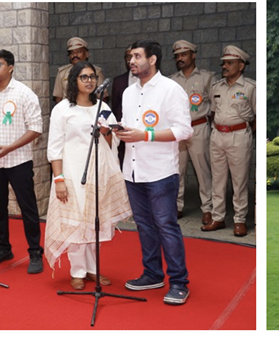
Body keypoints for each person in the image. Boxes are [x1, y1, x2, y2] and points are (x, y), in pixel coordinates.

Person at [116, 40, 192, 304]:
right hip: (133, 170)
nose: (132, 61)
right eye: (130, 57)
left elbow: (184, 130)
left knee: (166, 226)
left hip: (160, 171)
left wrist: (145, 135)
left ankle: (179, 282)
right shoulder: (128, 92)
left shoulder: (171, 90)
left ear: (153, 59)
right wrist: (117, 130)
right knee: (145, 226)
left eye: (137, 56)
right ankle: (152, 274)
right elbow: (130, 127)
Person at [45, 62, 130, 289]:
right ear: (74, 81)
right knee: (75, 223)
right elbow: (54, 148)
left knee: (95, 223)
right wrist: (59, 179)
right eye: (84, 77)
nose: (90, 81)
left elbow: (114, 142)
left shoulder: (102, 107)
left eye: (92, 77)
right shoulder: (62, 109)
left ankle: (93, 269)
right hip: (72, 174)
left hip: (98, 174)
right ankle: (77, 271)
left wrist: (107, 132)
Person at [0, 49, 45, 274]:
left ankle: (35, 251)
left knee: (28, 208)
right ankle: (3, 248)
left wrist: (10, 148)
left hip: (19, 161)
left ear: (11, 67)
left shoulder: (25, 94)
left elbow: (36, 128)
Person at [207, 44, 254, 237]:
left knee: (239, 181)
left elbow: (257, 116)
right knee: (217, 179)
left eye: (230, 63)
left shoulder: (251, 87)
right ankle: (218, 217)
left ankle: (239, 220)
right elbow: (212, 112)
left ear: (241, 66)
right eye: (224, 63)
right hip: (217, 135)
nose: (225, 66)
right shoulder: (216, 87)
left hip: (239, 136)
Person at [169, 40, 215, 229]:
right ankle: (176, 206)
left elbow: (214, 106)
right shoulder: (172, 80)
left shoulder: (207, 78)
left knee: (202, 170)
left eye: (184, 55)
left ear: (193, 55)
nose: (180, 58)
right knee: (176, 170)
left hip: (198, 127)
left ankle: (208, 208)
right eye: (177, 56)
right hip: (178, 130)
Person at [53, 37, 91, 105]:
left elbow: (102, 98)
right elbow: (58, 98)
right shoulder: (62, 73)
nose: (75, 55)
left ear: (86, 54)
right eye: (72, 53)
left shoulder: (95, 72)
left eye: (78, 52)